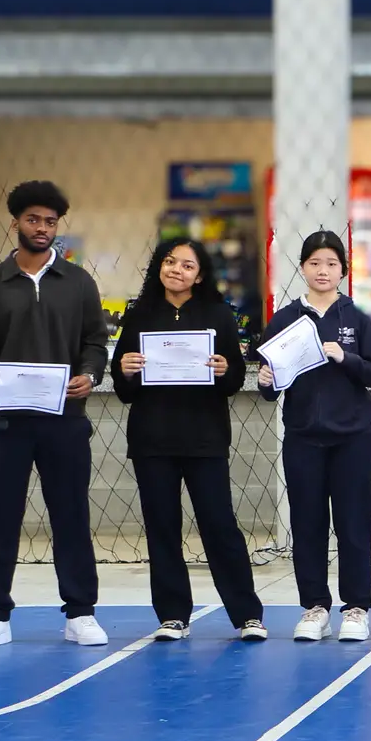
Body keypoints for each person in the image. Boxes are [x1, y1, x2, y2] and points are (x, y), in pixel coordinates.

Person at [0, 181, 110, 652]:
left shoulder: (79, 283)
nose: (42, 228)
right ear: (16, 224)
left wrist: (90, 374)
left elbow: (95, 343)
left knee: (71, 516)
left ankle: (80, 612)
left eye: (50, 221)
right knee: (0, 517)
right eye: (33, 220)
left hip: (64, 420)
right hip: (5, 422)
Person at [110, 238, 265, 642]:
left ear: (200, 275)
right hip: (152, 439)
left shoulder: (217, 314)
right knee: (162, 528)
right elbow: (124, 388)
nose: (176, 270)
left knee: (219, 525)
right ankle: (173, 615)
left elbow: (234, 379)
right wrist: (125, 369)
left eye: (187, 265)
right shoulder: (139, 314)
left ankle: (247, 615)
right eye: (170, 261)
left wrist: (225, 369)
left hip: (204, 437)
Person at [256, 232, 371, 644]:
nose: (322, 270)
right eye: (314, 262)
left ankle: (356, 608)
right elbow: (270, 388)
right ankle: (315, 607)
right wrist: (265, 380)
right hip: (302, 438)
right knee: (307, 524)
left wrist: (344, 356)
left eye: (331, 263)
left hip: (351, 439)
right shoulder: (285, 319)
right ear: (302, 267)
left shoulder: (356, 318)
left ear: (343, 270)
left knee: (353, 524)